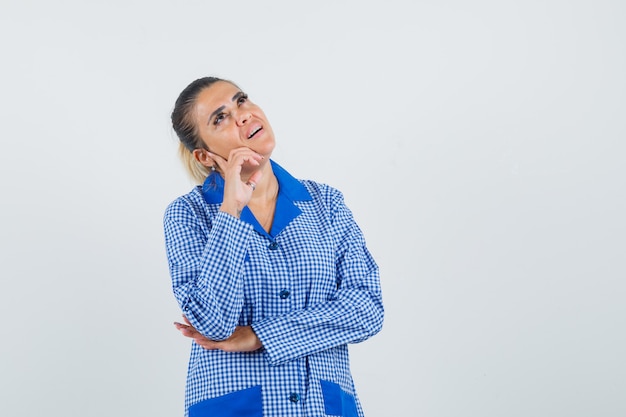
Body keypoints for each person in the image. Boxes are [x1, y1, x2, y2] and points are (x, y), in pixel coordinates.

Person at [164, 76, 384, 417]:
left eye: (241, 101)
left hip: (322, 406)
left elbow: (367, 309)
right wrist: (231, 211)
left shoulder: (326, 204)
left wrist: (259, 335)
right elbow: (211, 323)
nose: (242, 116)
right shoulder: (188, 215)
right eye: (219, 118)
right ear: (204, 155)